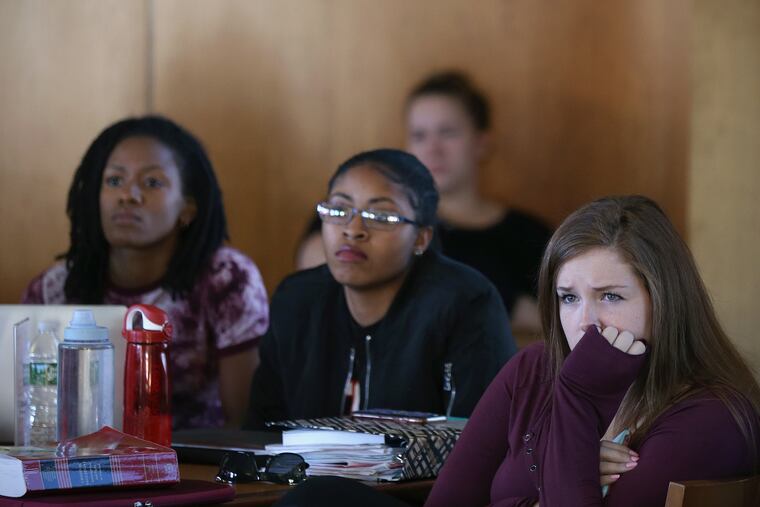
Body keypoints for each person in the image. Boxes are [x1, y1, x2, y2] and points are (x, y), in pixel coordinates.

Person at [274, 195, 760, 507]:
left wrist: (577, 396)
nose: (584, 321)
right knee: (317, 498)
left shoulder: (712, 414)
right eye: (568, 297)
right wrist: (565, 462)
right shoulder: (534, 367)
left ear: (665, 300)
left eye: (610, 296)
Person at [22, 116, 269, 430]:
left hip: (196, 465)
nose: (129, 195)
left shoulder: (227, 279)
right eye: (114, 181)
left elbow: (245, 420)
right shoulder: (52, 289)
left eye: (152, 182)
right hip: (78, 462)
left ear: (187, 209)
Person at [245, 149, 516, 429]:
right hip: (300, 473)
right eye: (339, 210)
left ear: (421, 238)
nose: (353, 230)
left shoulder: (465, 304)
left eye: (380, 217)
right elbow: (261, 429)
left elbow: (481, 441)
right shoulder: (296, 300)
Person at [294, 71, 551, 333]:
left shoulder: (529, 236)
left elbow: (555, 319)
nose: (433, 148)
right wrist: (505, 304)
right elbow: (316, 259)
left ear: (481, 142)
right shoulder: (371, 212)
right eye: (419, 135)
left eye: (448, 132)